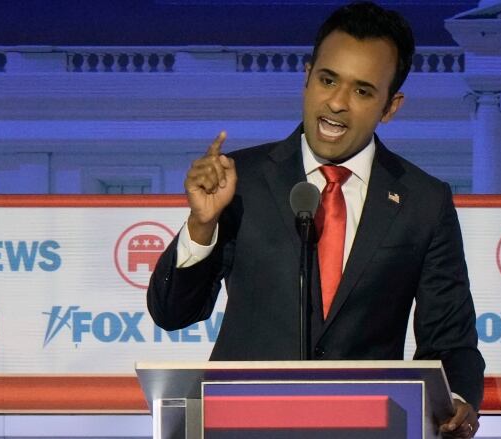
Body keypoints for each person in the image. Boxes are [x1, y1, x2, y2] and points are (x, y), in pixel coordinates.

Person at [147, 2, 484, 437]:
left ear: (390, 106)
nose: (338, 103)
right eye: (328, 80)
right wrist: (201, 226)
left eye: (363, 91)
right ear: (307, 77)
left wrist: (456, 401)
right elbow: (171, 312)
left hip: (369, 428)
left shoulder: (424, 200)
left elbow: (450, 339)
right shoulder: (241, 179)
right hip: (242, 426)